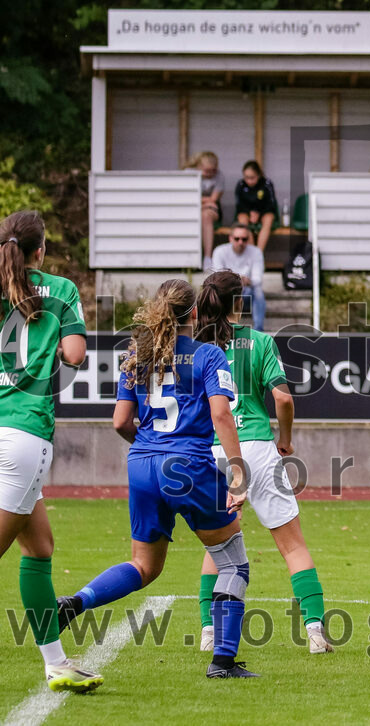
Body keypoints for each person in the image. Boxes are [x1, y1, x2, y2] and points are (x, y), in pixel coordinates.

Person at [56, 279, 258, 679]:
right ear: (194, 313)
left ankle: (77, 602)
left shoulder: (137, 355)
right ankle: (222, 661)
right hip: (188, 467)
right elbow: (221, 415)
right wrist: (238, 471)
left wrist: (151, 449)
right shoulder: (209, 354)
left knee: (144, 566)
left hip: (142, 465)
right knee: (234, 564)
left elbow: (120, 422)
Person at [194, 271, 331, 654]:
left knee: (217, 545)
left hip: (212, 449)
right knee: (293, 545)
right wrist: (285, 438)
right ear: (240, 302)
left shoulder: (196, 346)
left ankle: (208, 631)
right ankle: (315, 631)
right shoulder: (259, 342)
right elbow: (283, 398)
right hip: (255, 445)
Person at [0, 210, 103, 693]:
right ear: (40, 250)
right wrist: (54, 346)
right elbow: (75, 355)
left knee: (39, 548)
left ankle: (57, 663)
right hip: (23, 434)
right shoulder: (60, 290)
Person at [212, 223, 266, 332]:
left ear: (248, 239)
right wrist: (235, 280)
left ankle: (259, 329)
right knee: (215, 291)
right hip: (227, 294)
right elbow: (216, 277)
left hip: (246, 293)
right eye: (237, 239)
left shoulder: (256, 252)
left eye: (244, 239)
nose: (240, 242)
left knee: (258, 290)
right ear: (230, 238)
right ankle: (219, 328)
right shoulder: (220, 251)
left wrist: (247, 281)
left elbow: (258, 279)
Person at [187, 151, 225, 271]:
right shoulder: (189, 174)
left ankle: (207, 257)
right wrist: (204, 201)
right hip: (191, 209)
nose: (210, 174)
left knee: (206, 215)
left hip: (211, 210)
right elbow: (187, 197)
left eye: (213, 170)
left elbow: (214, 199)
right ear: (198, 167)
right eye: (207, 171)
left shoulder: (219, 176)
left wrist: (200, 201)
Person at [235, 160, 278, 252]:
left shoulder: (267, 184)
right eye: (246, 177)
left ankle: (259, 253)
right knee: (242, 219)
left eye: (252, 178)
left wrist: (259, 213)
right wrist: (249, 213)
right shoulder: (241, 184)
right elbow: (239, 204)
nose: (249, 181)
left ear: (258, 175)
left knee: (268, 219)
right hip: (247, 212)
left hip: (264, 212)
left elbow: (271, 203)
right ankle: (251, 253)